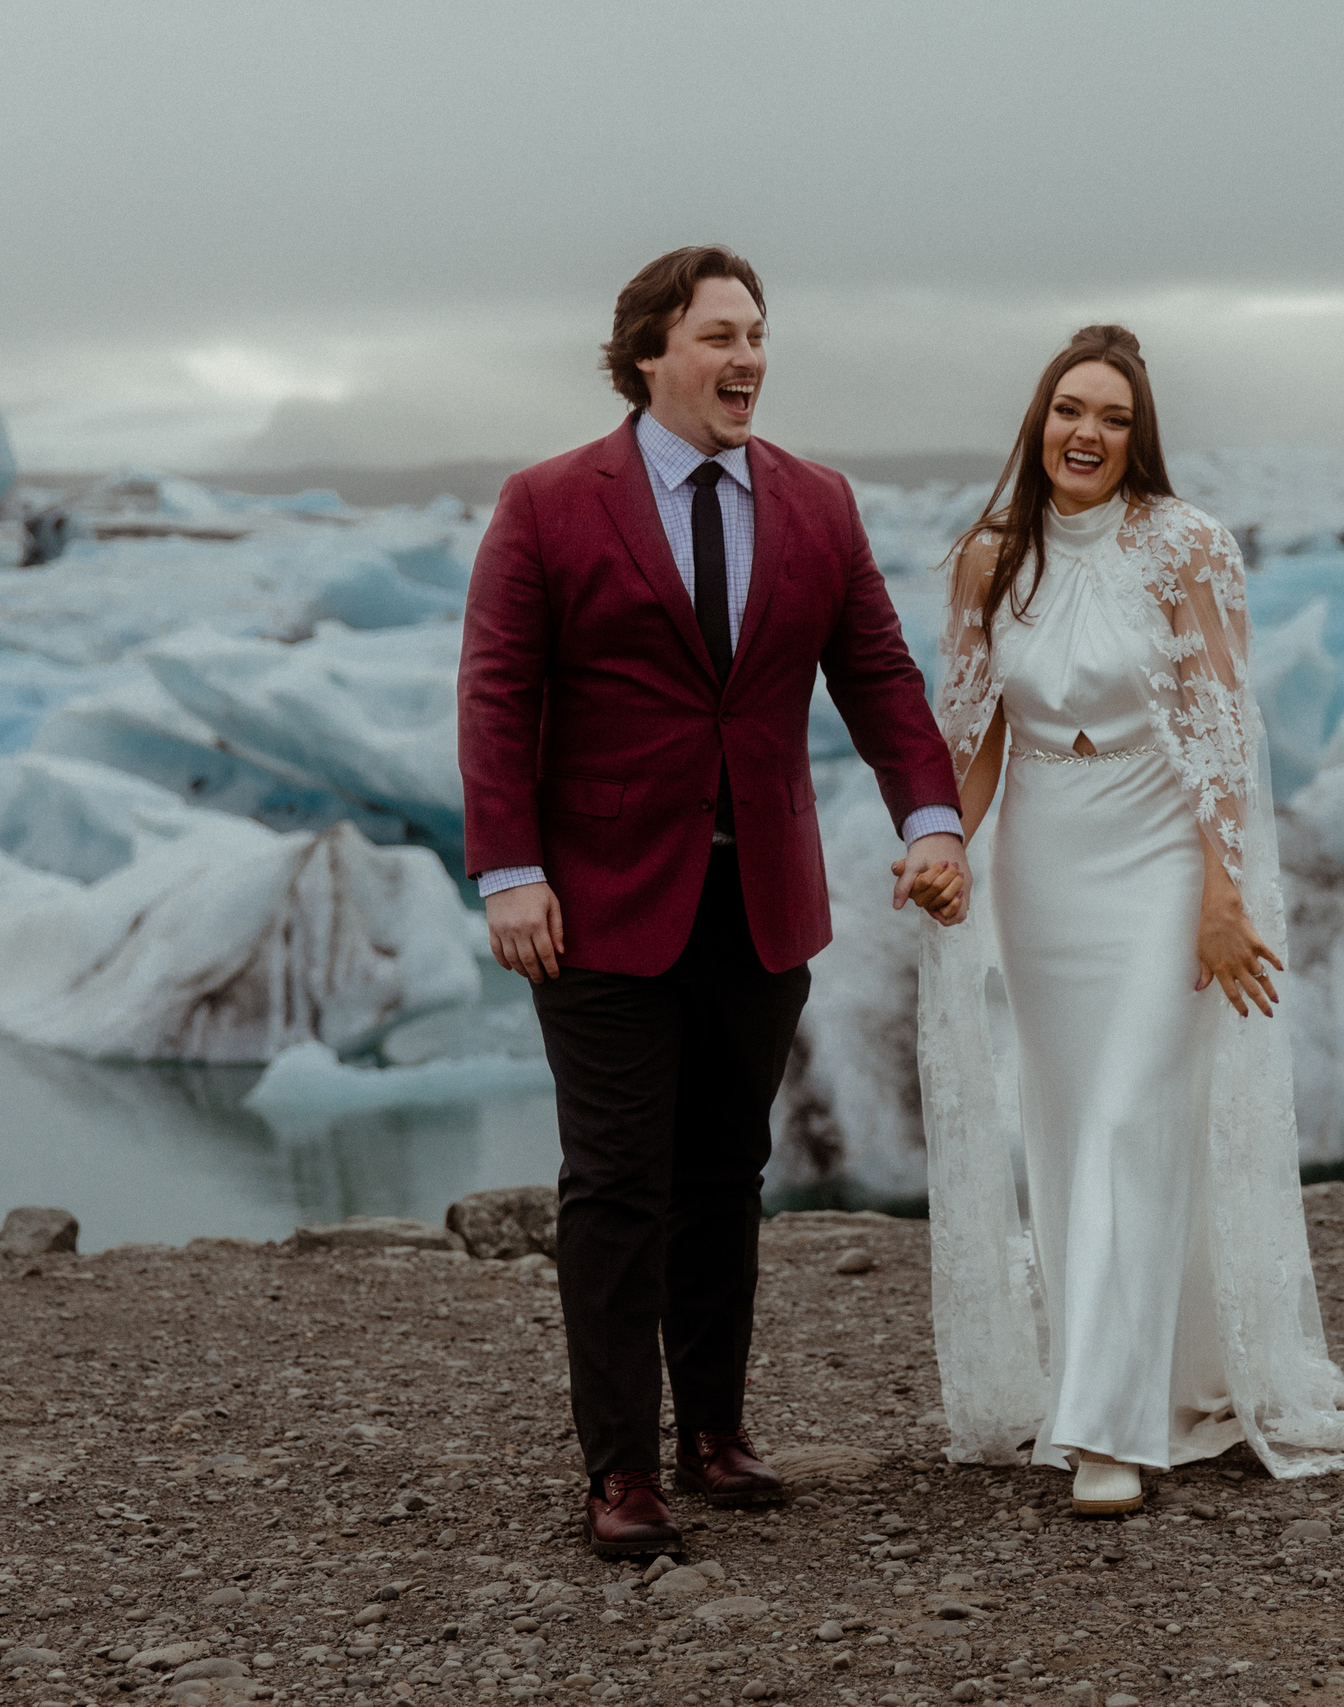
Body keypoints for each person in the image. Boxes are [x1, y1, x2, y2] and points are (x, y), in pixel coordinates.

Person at [458, 246, 971, 1558]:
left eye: (757, 334)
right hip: (602, 905)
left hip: (762, 902)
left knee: (724, 1173)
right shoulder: (550, 502)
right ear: (650, 352)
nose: (748, 358)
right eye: (719, 336)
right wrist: (509, 869)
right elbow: (498, 694)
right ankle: (624, 1466)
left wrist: (928, 813)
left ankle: (717, 1431)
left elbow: (878, 672)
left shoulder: (817, 503)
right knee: (616, 1185)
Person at [911, 324, 1344, 1514]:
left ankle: (1108, 1432)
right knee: (1073, 1130)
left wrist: (1224, 892)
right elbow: (972, 740)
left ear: (1139, 438)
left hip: (1161, 857)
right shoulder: (987, 559)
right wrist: (939, 846)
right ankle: (1136, 1380)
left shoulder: (1186, 547)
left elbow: (1223, 731)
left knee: (1131, 1119)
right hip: (1045, 868)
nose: (1088, 434)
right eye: (1071, 410)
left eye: (1114, 419)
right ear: (1038, 421)